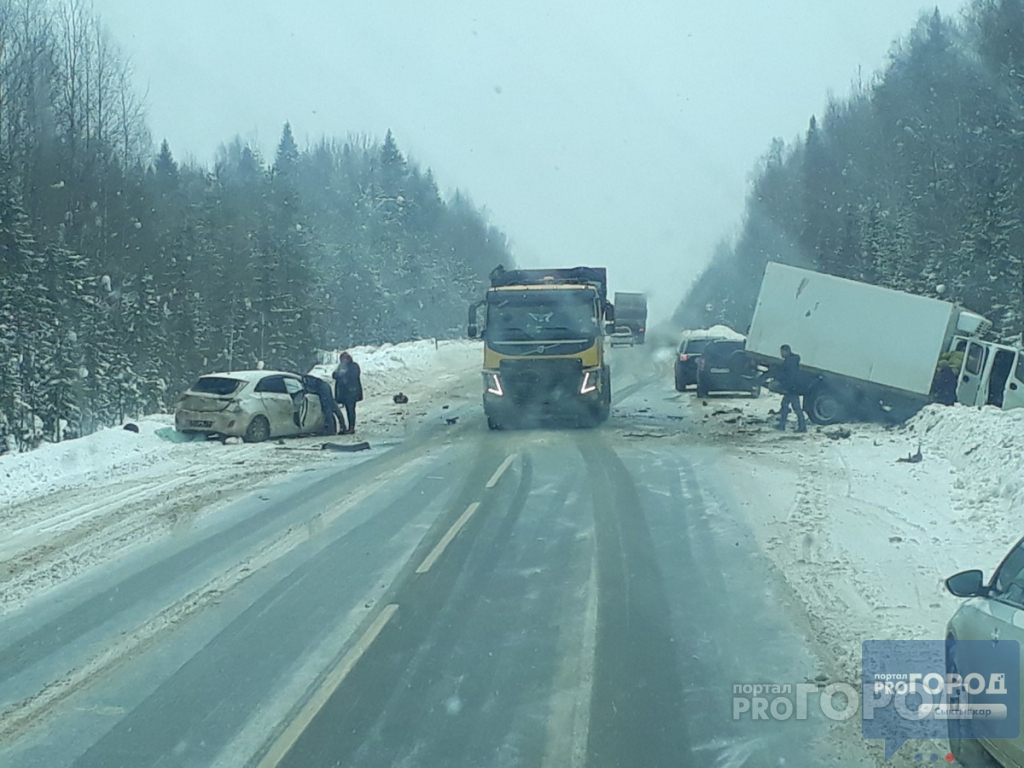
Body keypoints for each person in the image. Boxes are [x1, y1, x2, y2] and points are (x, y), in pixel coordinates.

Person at [765, 344, 807, 433]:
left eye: (782, 352)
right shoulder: (791, 360)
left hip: (791, 388)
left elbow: (787, 375)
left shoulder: (789, 362)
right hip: (793, 388)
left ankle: (800, 427)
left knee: (794, 407)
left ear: (786, 351)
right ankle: (784, 425)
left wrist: (781, 381)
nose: (781, 354)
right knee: (786, 405)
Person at [303, 370, 344, 436]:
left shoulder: (303, 380)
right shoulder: (305, 378)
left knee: (328, 409)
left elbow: (308, 389)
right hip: (324, 387)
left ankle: (331, 430)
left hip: (322, 389)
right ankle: (339, 427)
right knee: (333, 407)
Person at [332, 351, 364, 434]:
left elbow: (354, 376)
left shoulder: (353, 366)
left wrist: (344, 374)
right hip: (344, 392)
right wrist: (339, 374)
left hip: (352, 392)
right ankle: (344, 427)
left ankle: (351, 427)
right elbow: (334, 375)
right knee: (346, 410)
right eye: (342, 359)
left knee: (351, 410)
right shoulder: (341, 367)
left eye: (345, 359)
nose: (344, 360)